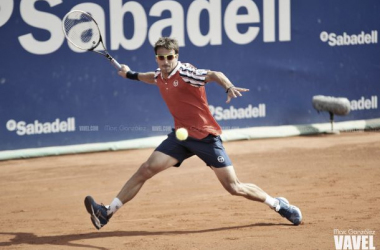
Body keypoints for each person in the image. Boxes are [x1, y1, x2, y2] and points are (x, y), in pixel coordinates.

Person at [84, 37, 302, 230]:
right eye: (161, 58)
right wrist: (130, 74)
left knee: (234, 187)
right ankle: (106, 212)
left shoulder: (186, 72)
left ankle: (278, 204)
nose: (166, 61)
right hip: (181, 137)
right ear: (156, 58)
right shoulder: (161, 74)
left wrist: (227, 86)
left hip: (206, 138)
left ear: (176, 56)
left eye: (170, 57)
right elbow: (153, 77)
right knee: (146, 169)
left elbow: (214, 74)